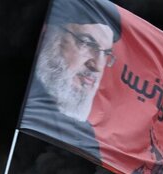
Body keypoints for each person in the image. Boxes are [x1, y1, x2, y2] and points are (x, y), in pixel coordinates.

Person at [20, 0, 121, 162]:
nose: (98, 65)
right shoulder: (16, 99)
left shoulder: (88, 140)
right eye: (87, 43)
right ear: (49, 34)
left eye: (106, 53)